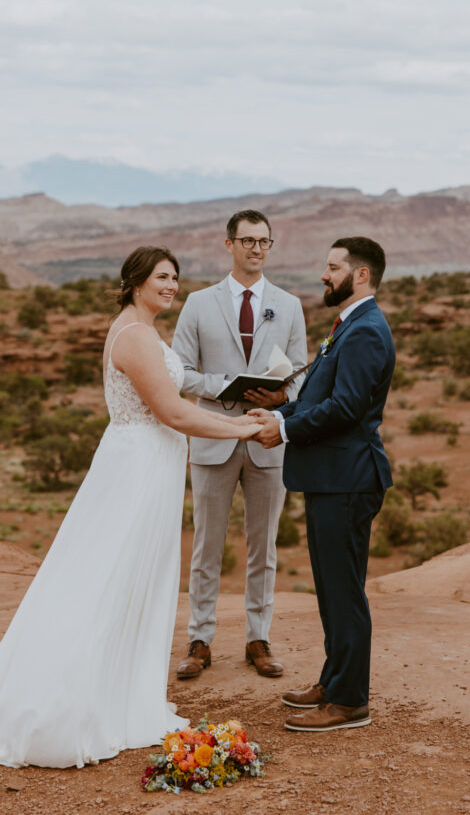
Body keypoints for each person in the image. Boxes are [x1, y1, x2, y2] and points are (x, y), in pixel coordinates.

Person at [0, 246, 260, 769]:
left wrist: (239, 423)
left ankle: (118, 696)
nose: (171, 285)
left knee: (137, 577)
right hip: (136, 470)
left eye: (175, 277)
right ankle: (68, 704)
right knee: (108, 576)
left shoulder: (142, 330)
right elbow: (173, 411)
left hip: (151, 466)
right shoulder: (134, 337)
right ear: (136, 282)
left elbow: (176, 408)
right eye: (161, 276)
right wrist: (244, 427)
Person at [249, 236, 395, 732]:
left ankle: (351, 701)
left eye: (332, 267)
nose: (323, 274)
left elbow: (348, 407)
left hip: (349, 479)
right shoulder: (347, 325)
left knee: (345, 591)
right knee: (331, 590)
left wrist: (285, 429)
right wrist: (277, 411)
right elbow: (317, 396)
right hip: (330, 477)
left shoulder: (367, 331)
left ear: (361, 275)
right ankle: (333, 682)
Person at [172, 210, 307, 680]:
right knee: (207, 545)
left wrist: (281, 395)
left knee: (262, 547)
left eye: (263, 241)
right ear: (228, 244)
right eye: (247, 240)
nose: (256, 248)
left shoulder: (289, 305)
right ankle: (199, 639)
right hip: (213, 439)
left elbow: (303, 371)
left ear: (271, 246)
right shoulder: (198, 303)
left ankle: (258, 638)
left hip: (268, 441)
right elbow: (181, 372)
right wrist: (224, 385)